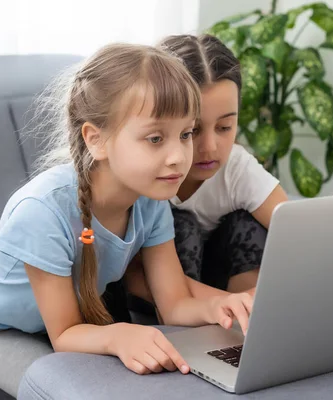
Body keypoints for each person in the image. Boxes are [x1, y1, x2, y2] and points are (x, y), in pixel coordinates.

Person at [0, 43, 252, 398]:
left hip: (62, 324)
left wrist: (218, 306)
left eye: (185, 134)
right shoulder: (42, 212)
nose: (178, 157)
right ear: (96, 140)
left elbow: (174, 304)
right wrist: (119, 334)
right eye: (156, 138)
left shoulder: (151, 201)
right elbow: (64, 334)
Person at [123, 34, 289, 320]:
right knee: (181, 227)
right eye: (193, 131)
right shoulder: (138, 173)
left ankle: (242, 332)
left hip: (217, 287)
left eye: (225, 127)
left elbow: (301, 235)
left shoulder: (236, 168)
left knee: (248, 224)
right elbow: (131, 274)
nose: (210, 148)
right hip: (155, 293)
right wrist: (227, 303)